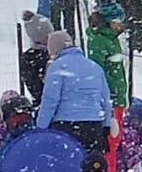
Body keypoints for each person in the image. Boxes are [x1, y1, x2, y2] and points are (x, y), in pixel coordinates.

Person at [35, 29, 118, 160]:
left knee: (67, 167)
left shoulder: (57, 67)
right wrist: (106, 125)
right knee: (91, 169)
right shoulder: (95, 67)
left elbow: (50, 100)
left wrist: (41, 127)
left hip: (66, 126)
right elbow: (106, 100)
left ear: (55, 50)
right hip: (94, 125)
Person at [86, 0, 129, 172]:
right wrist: (108, 97)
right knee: (110, 140)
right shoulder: (99, 40)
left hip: (118, 97)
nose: (121, 24)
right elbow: (98, 72)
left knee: (116, 138)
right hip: (109, 99)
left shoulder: (113, 38)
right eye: (118, 21)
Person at [19, 10, 54, 103]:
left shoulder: (57, 51)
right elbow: (34, 87)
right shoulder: (30, 58)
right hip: (45, 103)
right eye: (47, 36)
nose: (51, 39)